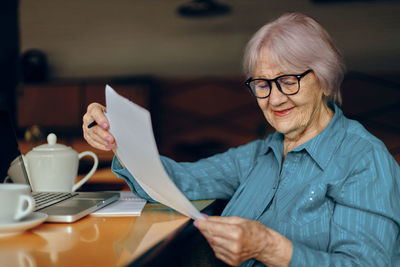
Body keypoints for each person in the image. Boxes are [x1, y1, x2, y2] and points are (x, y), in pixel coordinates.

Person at [82, 12, 400, 266]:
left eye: (288, 81)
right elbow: (179, 181)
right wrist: (119, 138)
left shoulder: (363, 160)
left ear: (325, 80)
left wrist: (269, 248)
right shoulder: (260, 154)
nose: (275, 100)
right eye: (262, 84)